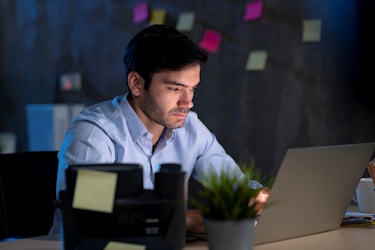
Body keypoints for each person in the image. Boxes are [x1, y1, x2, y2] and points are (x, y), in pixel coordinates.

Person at [49, 24, 269, 234]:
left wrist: (255, 196)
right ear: (136, 83)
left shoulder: (191, 128)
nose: (188, 102)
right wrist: (186, 220)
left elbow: (237, 186)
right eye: (175, 88)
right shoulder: (94, 133)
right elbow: (90, 217)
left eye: (193, 89)